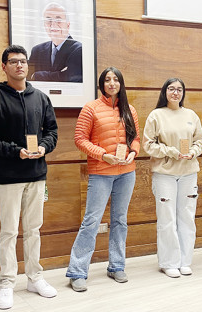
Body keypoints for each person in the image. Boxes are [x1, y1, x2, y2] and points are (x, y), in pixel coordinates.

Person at [0, 45, 58, 309]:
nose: (19, 66)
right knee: (9, 231)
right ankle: (6, 283)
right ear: (4, 66)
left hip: (37, 175)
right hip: (8, 176)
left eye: (23, 61)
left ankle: (34, 277)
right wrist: (17, 152)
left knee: (34, 229)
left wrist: (44, 147)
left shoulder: (40, 97)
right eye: (13, 61)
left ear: (28, 66)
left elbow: (52, 132)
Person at [66, 67, 140, 292]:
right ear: (101, 84)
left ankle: (117, 266)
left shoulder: (130, 109)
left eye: (116, 79)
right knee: (91, 221)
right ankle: (77, 271)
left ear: (121, 83)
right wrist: (102, 155)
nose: (112, 83)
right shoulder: (91, 108)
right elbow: (80, 139)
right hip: (101, 173)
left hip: (127, 172)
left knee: (120, 220)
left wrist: (133, 153)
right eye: (107, 80)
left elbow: (135, 138)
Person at [143, 78, 202, 278]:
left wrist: (193, 152)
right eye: (171, 89)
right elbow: (148, 145)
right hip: (165, 175)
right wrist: (171, 151)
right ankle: (169, 262)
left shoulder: (191, 115)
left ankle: (185, 261)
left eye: (179, 89)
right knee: (167, 218)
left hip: (188, 173)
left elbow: (200, 140)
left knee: (187, 217)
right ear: (165, 92)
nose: (175, 93)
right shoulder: (156, 115)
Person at [29, 2, 83, 82]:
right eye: (48, 20)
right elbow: (28, 79)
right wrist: (60, 74)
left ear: (68, 25)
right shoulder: (37, 51)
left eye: (58, 20)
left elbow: (72, 78)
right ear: (44, 25)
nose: (53, 25)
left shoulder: (79, 50)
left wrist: (37, 75)